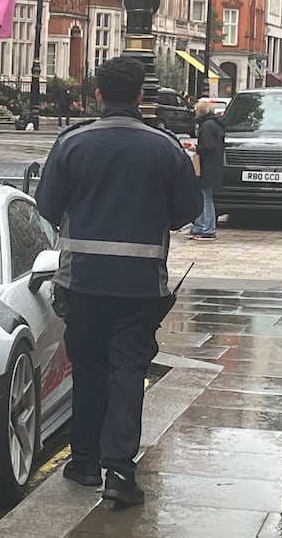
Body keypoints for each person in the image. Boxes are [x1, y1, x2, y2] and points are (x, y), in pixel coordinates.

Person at [35, 56, 202, 508]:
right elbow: (188, 211)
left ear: (98, 96)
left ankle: (84, 462)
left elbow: (46, 206)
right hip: (140, 284)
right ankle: (120, 473)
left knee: (88, 371)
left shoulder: (72, 143)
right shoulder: (165, 147)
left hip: (82, 281)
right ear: (141, 97)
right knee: (128, 372)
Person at [185, 99, 225, 240]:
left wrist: (195, 148)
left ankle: (207, 229)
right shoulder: (215, 124)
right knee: (204, 197)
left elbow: (208, 147)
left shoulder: (207, 126)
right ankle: (200, 227)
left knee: (205, 198)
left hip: (207, 166)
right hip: (213, 166)